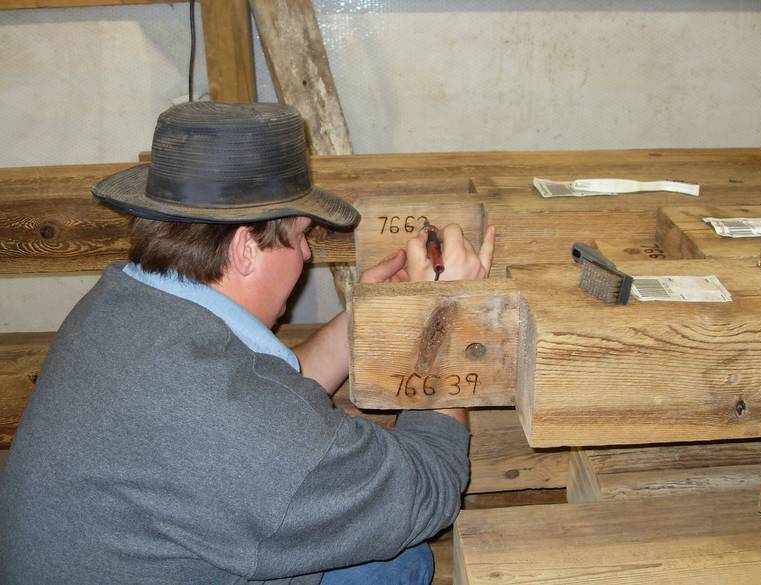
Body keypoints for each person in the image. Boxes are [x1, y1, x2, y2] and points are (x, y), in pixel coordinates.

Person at [0, 102, 495, 585]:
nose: (306, 252)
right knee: (403, 561)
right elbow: (427, 491)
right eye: (301, 237)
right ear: (244, 250)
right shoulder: (234, 425)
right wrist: (446, 314)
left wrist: (364, 315)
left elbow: (260, 397)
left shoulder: (122, 305)